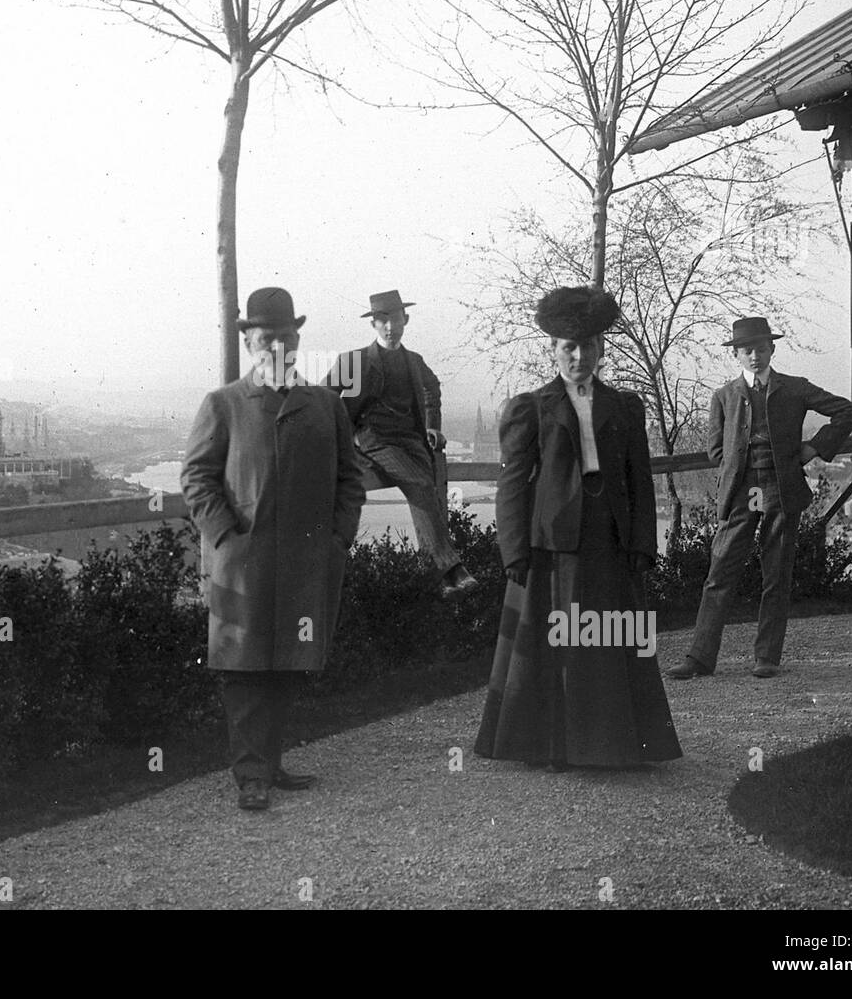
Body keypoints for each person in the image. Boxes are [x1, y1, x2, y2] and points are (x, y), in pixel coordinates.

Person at [474, 286, 682, 769]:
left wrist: (642, 543)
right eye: (569, 347)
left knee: (610, 638)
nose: (579, 356)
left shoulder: (626, 406)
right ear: (553, 350)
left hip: (608, 537)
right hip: (553, 545)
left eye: (588, 346)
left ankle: (615, 745)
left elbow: (639, 479)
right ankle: (555, 748)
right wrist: (514, 552)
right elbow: (511, 485)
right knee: (559, 642)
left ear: (600, 350)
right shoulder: (532, 407)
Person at [181, 287, 366, 811]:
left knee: (288, 661)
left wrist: (337, 540)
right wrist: (225, 539)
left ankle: (272, 762)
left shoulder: (325, 405)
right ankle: (251, 775)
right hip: (245, 562)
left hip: (308, 561)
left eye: (287, 336)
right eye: (267, 337)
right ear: (249, 341)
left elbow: (350, 481)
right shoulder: (224, 404)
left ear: (297, 338)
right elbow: (197, 477)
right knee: (243, 667)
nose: (278, 346)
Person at [668, 317, 852, 680]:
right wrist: (739, 467)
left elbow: (847, 410)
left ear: (772, 349)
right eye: (747, 350)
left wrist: (814, 447)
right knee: (720, 572)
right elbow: (714, 450)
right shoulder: (724, 396)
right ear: (737, 354)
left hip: (781, 488)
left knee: (776, 574)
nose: (754, 355)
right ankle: (699, 658)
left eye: (760, 348)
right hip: (741, 492)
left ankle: (766, 657)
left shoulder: (795, 388)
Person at [321, 290, 478, 600]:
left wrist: (433, 425)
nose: (390, 327)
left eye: (394, 319)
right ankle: (450, 569)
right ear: (373, 325)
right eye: (382, 321)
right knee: (420, 482)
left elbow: (432, 388)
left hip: (411, 440)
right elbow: (324, 398)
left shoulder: (414, 361)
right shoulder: (355, 361)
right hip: (374, 441)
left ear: (405, 320)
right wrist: (340, 437)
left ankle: (437, 576)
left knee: (427, 488)